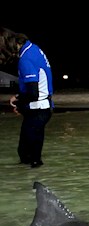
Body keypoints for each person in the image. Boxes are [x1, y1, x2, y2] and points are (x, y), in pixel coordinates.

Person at [8, 33, 54, 168]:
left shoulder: (26, 58)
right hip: (42, 108)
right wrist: (18, 98)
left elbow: (33, 93)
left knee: (30, 157)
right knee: (26, 154)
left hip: (38, 109)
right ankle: (30, 181)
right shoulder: (34, 49)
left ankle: (31, 183)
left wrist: (19, 103)